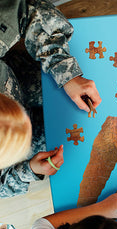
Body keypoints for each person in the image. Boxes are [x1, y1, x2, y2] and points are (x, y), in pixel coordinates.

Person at [0, 0, 101, 197]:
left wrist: (66, 73)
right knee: (77, 150)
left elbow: (26, 7)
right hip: (15, 90)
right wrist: (28, 170)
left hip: (19, 79)